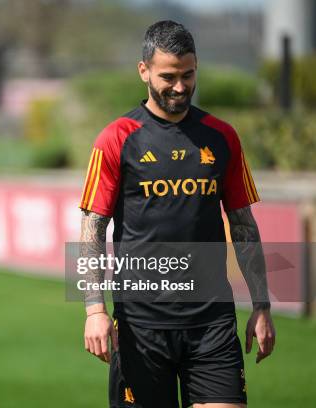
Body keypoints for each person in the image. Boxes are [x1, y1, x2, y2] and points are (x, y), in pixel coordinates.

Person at [79, 20, 275, 408]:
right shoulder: (116, 138)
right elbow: (92, 227)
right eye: (168, 76)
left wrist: (262, 305)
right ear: (144, 71)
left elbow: (243, 225)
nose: (180, 86)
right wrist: (95, 308)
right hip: (141, 327)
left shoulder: (222, 137)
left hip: (213, 323)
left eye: (188, 75)